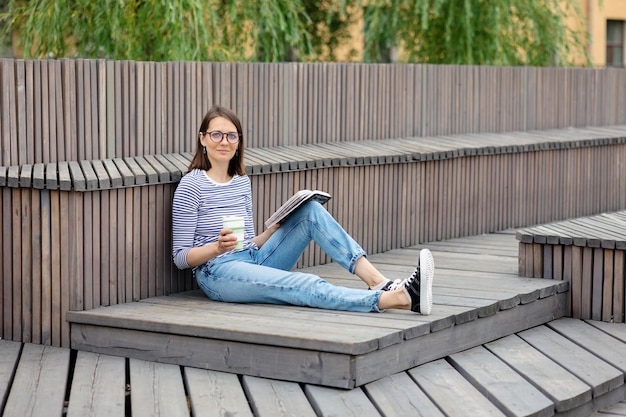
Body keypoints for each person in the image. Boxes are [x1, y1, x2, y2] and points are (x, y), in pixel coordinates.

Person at [172, 105, 434, 314]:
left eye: (232, 135)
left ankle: (378, 281)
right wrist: (217, 248)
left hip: (251, 259)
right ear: (203, 139)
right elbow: (181, 258)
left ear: (239, 142)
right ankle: (395, 299)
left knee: (310, 210)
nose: (224, 142)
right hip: (217, 273)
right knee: (304, 283)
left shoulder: (241, 182)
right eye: (216, 135)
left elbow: (245, 243)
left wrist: (272, 232)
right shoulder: (191, 186)